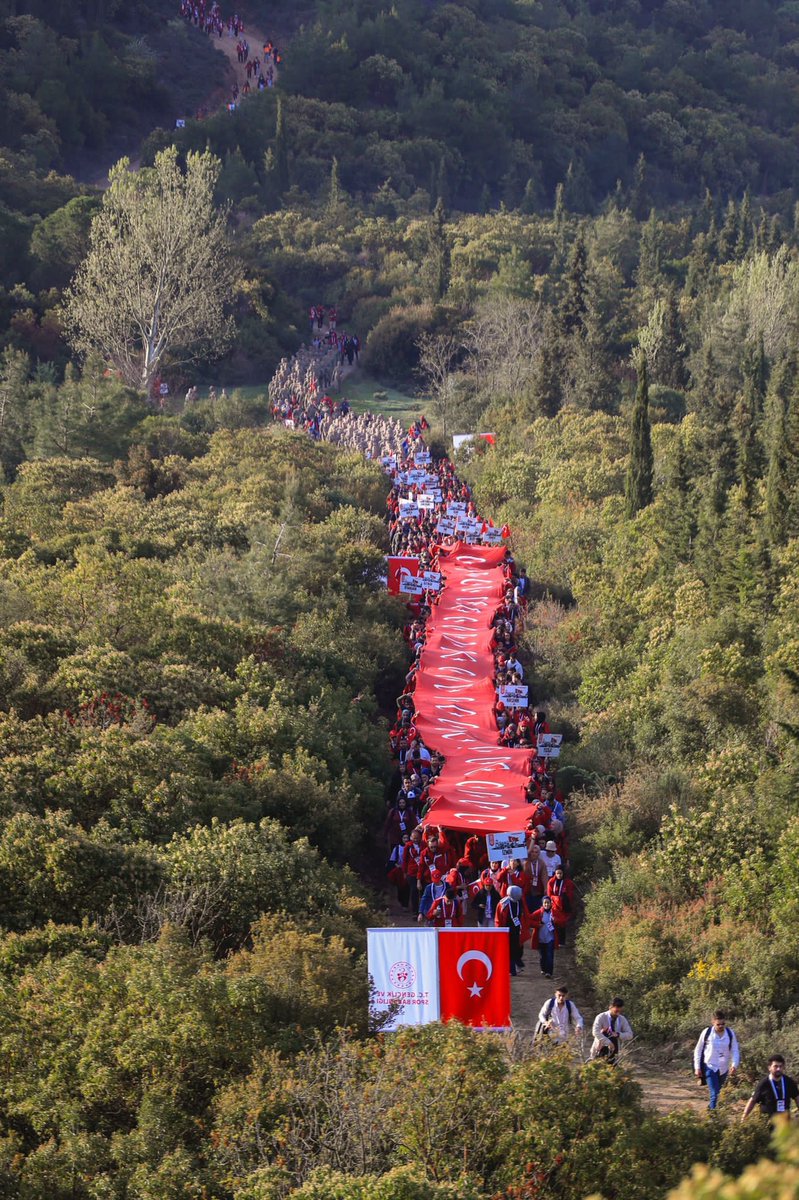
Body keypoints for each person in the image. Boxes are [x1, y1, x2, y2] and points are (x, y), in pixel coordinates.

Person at [693, 1010, 740, 1111]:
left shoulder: (730, 1033)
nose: (721, 1026)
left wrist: (734, 1064)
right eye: (718, 1024)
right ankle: (713, 1118)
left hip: (723, 1068)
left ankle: (710, 1111)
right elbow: (698, 1049)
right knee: (715, 1094)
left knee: (719, 1092)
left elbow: (735, 1050)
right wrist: (697, 1067)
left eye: (723, 1024)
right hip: (710, 1066)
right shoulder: (707, 1033)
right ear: (713, 1022)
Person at [743, 1055, 799, 1120]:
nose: (778, 1069)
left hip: (784, 1124)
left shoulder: (789, 1082)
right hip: (768, 1123)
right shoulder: (763, 1083)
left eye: (780, 1066)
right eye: (776, 1066)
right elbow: (752, 1101)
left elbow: (797, 1098)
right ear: (769, 1068)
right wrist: (743, 1118)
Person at [495, 884, 527, 976]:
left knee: (518, 948)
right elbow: (498, 919)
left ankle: (518, 963)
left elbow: (525, 913)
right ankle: (512, 969)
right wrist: (499, 931)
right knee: (509, 950)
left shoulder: (520, 902)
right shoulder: (503, 904)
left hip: (517, 929)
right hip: (506, 929)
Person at [529, 895, 557, 978]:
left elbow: (562, 920)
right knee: (542, 956)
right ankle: (544, 969)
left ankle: (549, 972)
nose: (546, 905)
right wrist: (537, 924)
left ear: (551, 904)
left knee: (550, 955)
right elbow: (529, 920)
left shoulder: (554, 912)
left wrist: (556, 921)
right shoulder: (539, 912)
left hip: (550, 938)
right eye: (545, 903)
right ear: (542, 903)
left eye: (548, 903)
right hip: (541, 938)